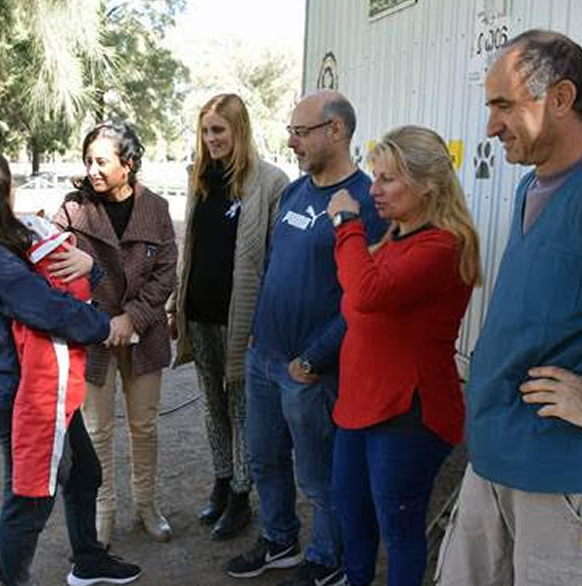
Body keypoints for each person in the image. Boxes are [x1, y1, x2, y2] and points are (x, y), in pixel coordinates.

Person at [436, 30, 582, 586]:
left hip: (565, 478)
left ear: (561, 99)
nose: (490, 126)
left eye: (503, 106)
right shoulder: (533, 185)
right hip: (495, 457)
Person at [0, 152, 142, 586]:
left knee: (84, 472)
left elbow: (52, 274)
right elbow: (42, 306)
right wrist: (103, 326)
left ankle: (88, 560)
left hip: (45, 384)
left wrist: (87, 266)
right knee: (31, 495)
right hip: (23, 393)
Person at [224, 90, 386, 586]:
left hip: (313, 368)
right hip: (266, 357)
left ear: (335, 131)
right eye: (291, 131)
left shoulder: (367, 202)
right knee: (263, 457)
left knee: (318, 474)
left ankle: (327, 556)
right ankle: (280, 540)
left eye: (300, 131)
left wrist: (315, 359)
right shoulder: (294, 194)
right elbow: (274, 266)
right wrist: (255, 334)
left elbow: (363, 298)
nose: (290, 141)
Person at [327, 125, 480, 586]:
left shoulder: (442, 245)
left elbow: (366, 292)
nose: (374, 190)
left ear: (427, 183)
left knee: (399, 528)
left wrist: (345, 224)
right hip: (362, 401)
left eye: (388, 178)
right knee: (351, 511)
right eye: (374, 177)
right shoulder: (395, 238)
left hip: (408, 408)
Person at [170, 93, 289, 541]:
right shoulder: (199, 178)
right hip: (198, 312)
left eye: (218, 130)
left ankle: (242, 494)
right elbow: (194, 249)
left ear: (239, 131)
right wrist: (175, 306)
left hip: (239, 317)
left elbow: (276, 261)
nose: (210, 139)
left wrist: (265, 322)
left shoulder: (270, 182)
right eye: (205, 131)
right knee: (211, 404)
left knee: (241, 407)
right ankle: (221, 481)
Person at [54, 120, 178, 546]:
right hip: (94, 337)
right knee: (96, 429)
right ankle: (103, 513)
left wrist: (133, 318)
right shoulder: (71, 210)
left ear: (128, 163)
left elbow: (165, 274)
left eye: (102, 161)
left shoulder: (157, 209)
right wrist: (99, 320)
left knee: (144, 425)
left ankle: (146, 506)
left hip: (144, 334)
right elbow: (56, 271)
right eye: (88, 160)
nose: (93, 169)